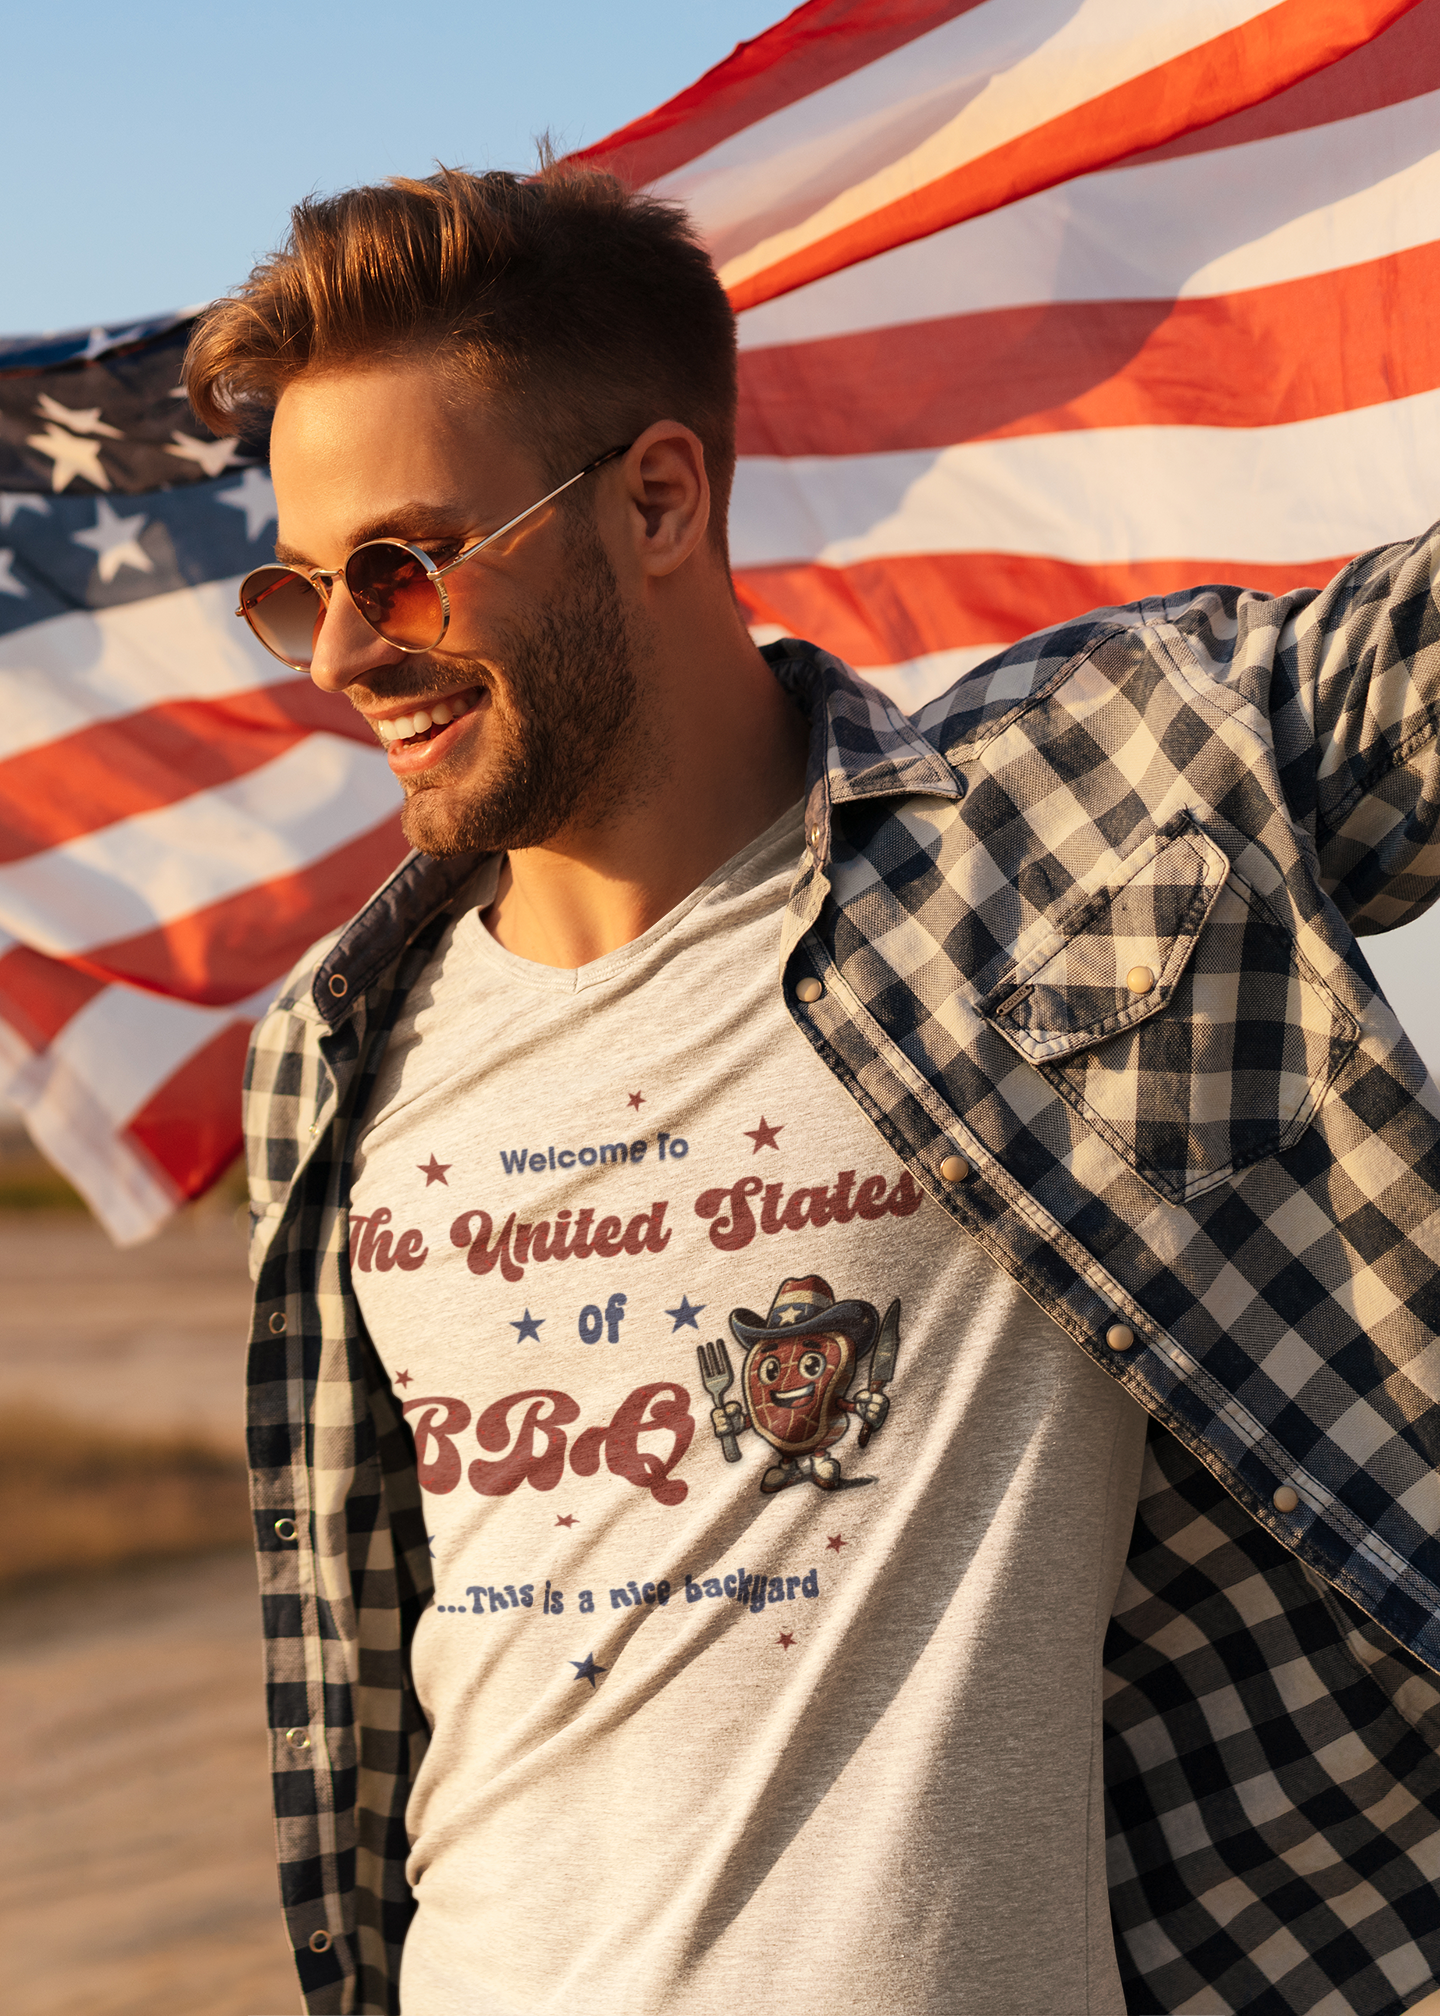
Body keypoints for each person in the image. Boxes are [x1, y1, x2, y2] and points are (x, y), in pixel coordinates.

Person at [185, 164, 1440, 2016]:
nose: (353, 654)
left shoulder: (1069, 822)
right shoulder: (332, 1049)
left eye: (403, 563)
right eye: (300, 589)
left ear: (662, 497)